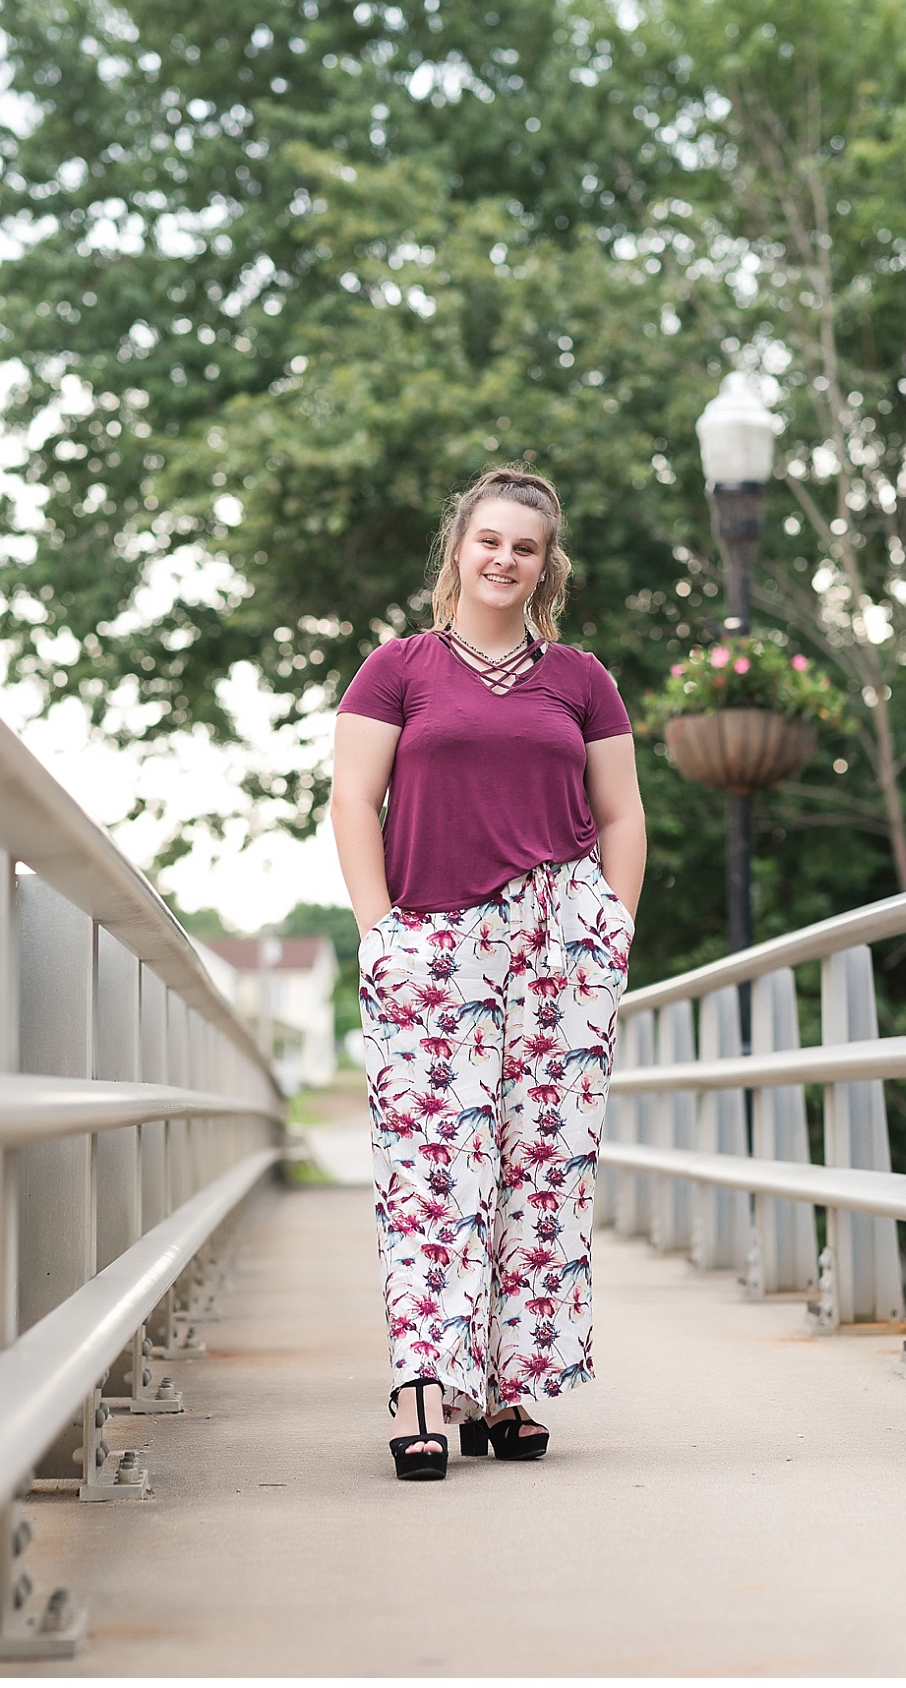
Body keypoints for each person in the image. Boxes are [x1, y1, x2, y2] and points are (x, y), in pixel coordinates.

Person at [330, 465, 646, 1481]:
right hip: (434, 936)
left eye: (525, 545)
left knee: (537, 1170)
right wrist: (382, 934)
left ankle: (511, 1384)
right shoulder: (400, 669)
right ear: (458, 548)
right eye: (489, 539)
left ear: (546, 565)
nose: (504, 557)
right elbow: (351, 802)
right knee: (429, 1170)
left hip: (560, 943)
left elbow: (625, 813)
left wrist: (613, 928)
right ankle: (425, 1382)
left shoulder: (582, 679)